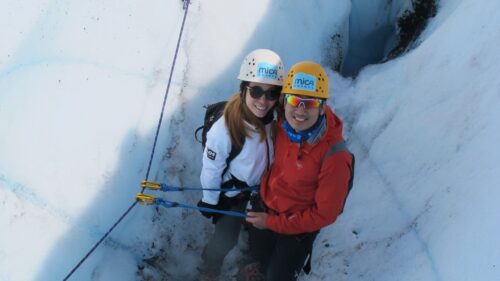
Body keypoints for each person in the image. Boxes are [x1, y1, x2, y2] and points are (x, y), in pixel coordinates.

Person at [243, 61, 354, 281]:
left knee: (278, 276)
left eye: (310, 103)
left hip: (298, 226)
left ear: (322, 107)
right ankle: (261, 264)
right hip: (267, 206)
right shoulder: (284, 124)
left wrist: (272, 223)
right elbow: (256, 99)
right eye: (294, 100)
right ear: (284, 102)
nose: (300, 110)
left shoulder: (335, 157)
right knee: (257, 252)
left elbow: (325, 214)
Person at [197, 49, 285, 281]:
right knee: (226, 237)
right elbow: (211, 168)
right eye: (256, 91)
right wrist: (209, 200)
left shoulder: (275, 120)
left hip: (262, 191)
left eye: (272, 93)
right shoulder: (226, 127)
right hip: (233, 193)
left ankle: (250, 264)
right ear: (244, 88)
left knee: (260, 234)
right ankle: (210, 265)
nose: (263, 100)